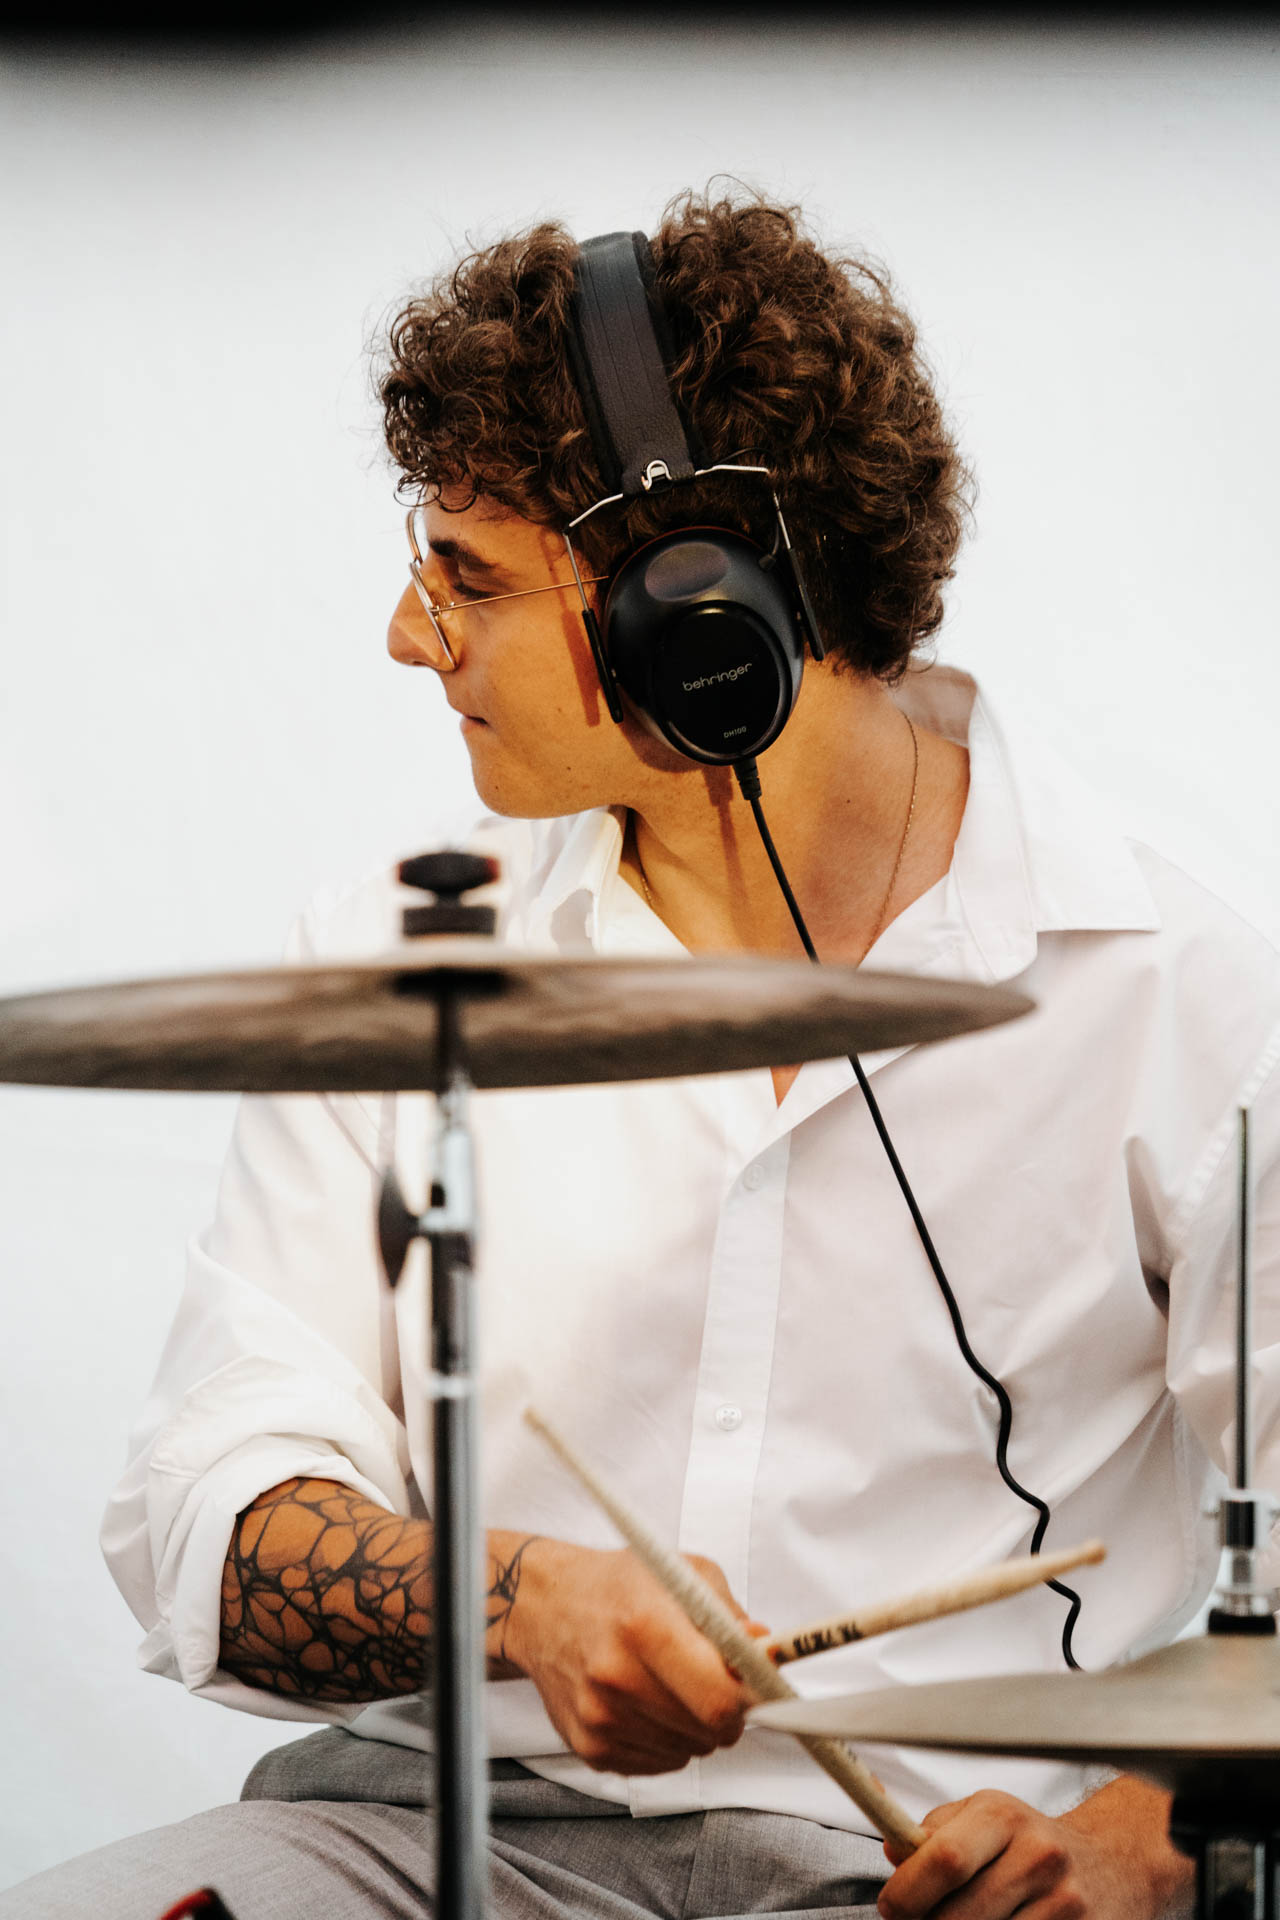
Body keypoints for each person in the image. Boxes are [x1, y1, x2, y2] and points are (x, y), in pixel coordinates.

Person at [5, 188, 1277, 1920]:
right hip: (416, 1835)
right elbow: (207, 1524)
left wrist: (1154, 1834)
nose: (409, 636)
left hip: (904, 1880)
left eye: (465, 578)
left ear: (697, 621)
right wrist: (518, 1598)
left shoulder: (1184, 996)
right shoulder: (398, 967)